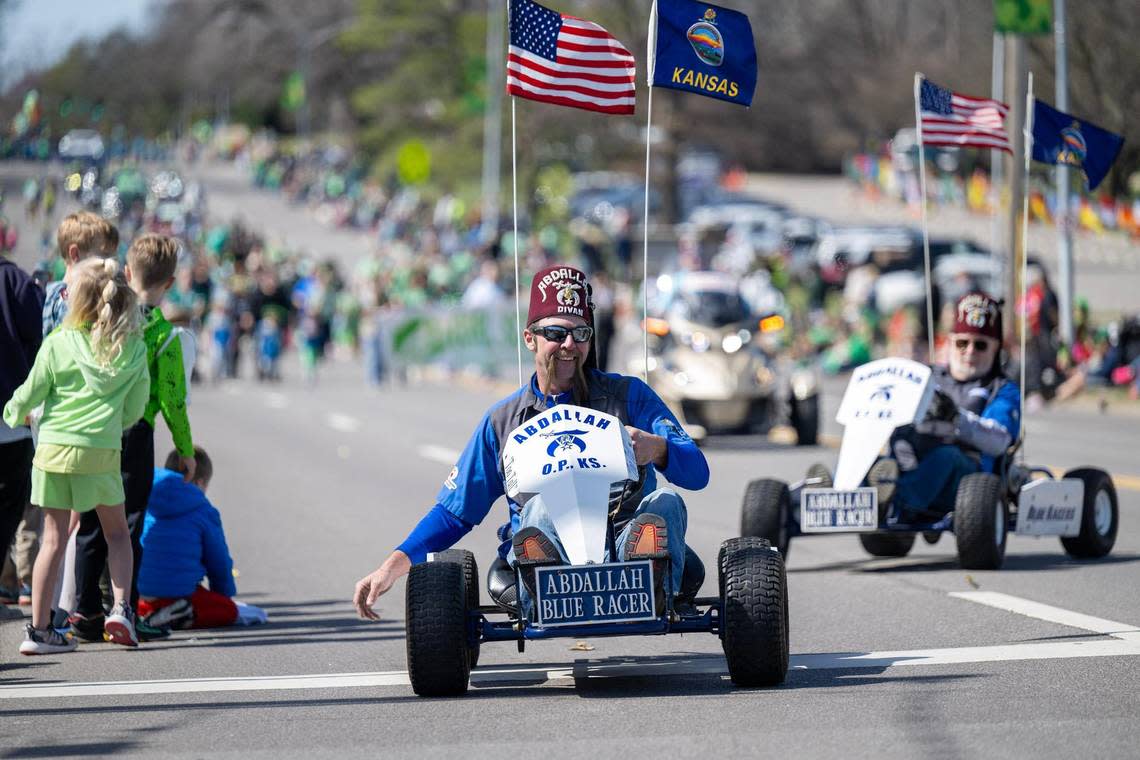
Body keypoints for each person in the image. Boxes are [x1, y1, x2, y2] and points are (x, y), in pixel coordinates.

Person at [353, 264, 710, 620]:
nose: (569, 345)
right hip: (545, 550)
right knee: (537, 511)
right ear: (530, 339)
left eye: (581, 333)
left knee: (665, 501)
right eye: (556, 332)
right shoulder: (502, 422)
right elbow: (454, 511)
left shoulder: (630, 396)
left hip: (622, 542)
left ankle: (649, 583)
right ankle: (546, 584)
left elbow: (697, 473)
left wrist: (658, 448)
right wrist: (391, 566)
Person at [3, 258, 150, 653]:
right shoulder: (132, 348)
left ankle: (39, 631)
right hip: (100, 451)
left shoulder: (58, 343)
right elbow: (137, 409)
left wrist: (13, 414)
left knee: (52, 538)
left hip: (52, 450)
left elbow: (29, 392)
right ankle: (121, 610)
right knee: (117, 533)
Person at [70, 234, 195, 644]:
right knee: (128, 524)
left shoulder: (103, 319)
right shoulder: (164, 334)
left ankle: (85, 610)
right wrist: (186, 449)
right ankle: (124, 606)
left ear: (127, 272)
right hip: (138, 432)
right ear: (171, 283)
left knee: (90, 518)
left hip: (97, 426)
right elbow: (174, 399)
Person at [880, 292, 1022, 518]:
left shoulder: (1001, 389)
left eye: (981, 345)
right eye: (962, 343)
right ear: (951, 341)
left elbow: (999, 441)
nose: (970, 352)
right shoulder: (927, 377)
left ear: (996, 348)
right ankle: (839, 494)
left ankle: (892, 502)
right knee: (891, 448)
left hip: (969, 482)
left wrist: (956, 418)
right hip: (915, 460)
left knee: (946, 456)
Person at [137, 447, 241, 630]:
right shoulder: (203, 510)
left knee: (141, 601)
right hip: (179, 593)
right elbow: (219, 561)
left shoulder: (142, 497)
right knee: (229, 610)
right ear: (200, 483)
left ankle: (145, 613)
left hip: (140, 592)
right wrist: (223, 594)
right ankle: (183, 614)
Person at [0, 247, 44, 618]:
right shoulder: (15, 280)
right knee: (12, 506)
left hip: (13, 417)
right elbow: (39, 334)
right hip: (11, 418)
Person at [42, 212, 119, 337]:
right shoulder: (70, 301)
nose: (112, 263)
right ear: (75, 254)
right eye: (104, 255)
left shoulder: (50, 293)